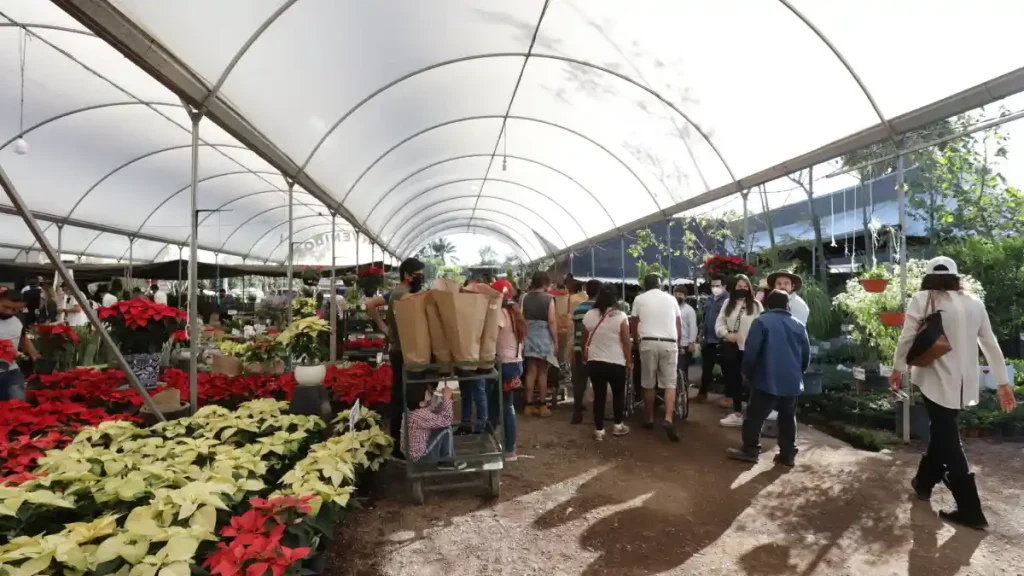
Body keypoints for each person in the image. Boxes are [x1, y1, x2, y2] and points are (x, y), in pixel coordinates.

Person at [891, 256, 1015, 530]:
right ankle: (922, 484)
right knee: (943, 431)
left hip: (935, 379)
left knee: (948, 438)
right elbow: (990, 343)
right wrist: (1002, 382)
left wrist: (898, 368)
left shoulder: (923, 298)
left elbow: (908, 337)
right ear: (957, 276)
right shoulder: (974, 303)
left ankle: (971, 509)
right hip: (964, 382)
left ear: (928, 275)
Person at [726, 290, 809, 466]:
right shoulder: (799, 325)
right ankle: (787, 454)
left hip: (767, 379)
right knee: (787, 418)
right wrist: (797, 374)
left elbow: (751, 352)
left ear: (768, 305)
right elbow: (806, 357)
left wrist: (747, 373)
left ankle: (750, 450)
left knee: (754, 417)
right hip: (791, 381)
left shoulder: (762, 322)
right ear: (788, 306)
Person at [366, 257, 425, 458]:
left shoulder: (397, 293)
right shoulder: (404, 296)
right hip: (405, 351)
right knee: (406, 396)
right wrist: (385, 329)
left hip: (397, 349)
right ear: (407, 275)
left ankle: (396, 439)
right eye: (418, 274)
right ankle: (402, 443)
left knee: (399, 393)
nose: (421, 278)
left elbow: (370, 304)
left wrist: (384, 328)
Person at [630, 274, 681, 442]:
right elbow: (678, 325)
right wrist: (678, 343)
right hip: (669, 342)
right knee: (670, 383)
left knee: (648, 383)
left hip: (648, 342)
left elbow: (633, 322)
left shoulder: (639, 299)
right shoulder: (672, 299)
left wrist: (636, 342)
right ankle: (667, 418)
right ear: (661, 285)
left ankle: (649, 418)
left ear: (645, 285)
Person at [582, 285, 632, 441]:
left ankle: (599, 430)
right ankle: (617, 426)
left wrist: (585, 354)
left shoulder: (589, 315)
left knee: (599, 396)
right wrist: (629, 361)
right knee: (618, 394)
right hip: (616, 361)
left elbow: (584, 338)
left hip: (595, 360)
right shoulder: (620, 316)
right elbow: (626, 341)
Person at [715, 274, 763, 428]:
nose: (742, 289)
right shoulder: (727, 304)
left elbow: (762, 326)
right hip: (732, 348)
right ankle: (737, 413)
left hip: (750, 349)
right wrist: (726, 334)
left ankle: (753, 415)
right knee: (734, 380)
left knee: (751, 382)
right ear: (734, 288)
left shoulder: (756, 305)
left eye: (745, 286)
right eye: (739, 286)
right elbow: (719, 323)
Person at [491, 291, 526, 460]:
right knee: (504, 404)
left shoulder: (500, 314)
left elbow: (491, 337)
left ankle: (505, 447)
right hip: (516, 365)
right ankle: (507, 446)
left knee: (502, 405)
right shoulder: (515, 313)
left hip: (504, 365)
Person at [401, 382, 464, 470]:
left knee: (441, 427)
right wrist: (446, 400)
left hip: (413, 456)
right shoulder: (420, 414)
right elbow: (446, 420)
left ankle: (447, 459)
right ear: (421, 402)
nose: (430, 392)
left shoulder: (413, 411)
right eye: (427, 392)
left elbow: (436, 414)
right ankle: (447, 461)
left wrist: (447, 401)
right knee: (446, 429)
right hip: (421, 459)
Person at [521, 271, 559, 417]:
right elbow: (551, 321)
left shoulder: (524, 298)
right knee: (543, 373)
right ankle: (542, 405)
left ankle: (528, 405)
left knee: (530, 372)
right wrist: (555, 340)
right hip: (544, 337)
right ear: (545, 283)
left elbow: (521, 318)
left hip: (529, 336)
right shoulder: (549, 298)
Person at [0, 291, 42, 401]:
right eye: (6, 307)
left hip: (10, 371)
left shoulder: (18, 320)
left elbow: (23, 338)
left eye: (15, 309)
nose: (10, 311)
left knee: (18, 404)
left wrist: (34, 354)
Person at [570, 279, 602, 424]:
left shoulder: (579, 308)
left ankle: (577, 411)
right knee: (598, 382)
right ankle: (598, 412)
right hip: (597, 349)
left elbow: (576, 329)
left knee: (580, 381)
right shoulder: (602, 309)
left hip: (579, 348)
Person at [697, 275, 728, 403]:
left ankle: (729, 397)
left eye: (718, 285)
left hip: (722, 341)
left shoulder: (728, 301)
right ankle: (702, 393)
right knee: (706, 369)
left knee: (727, 370)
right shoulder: (709, 299)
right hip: (708, 340)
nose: (715, 288)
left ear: (724, 286)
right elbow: (704, 319)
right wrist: (700, 335)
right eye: (713, 285)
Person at [674, 286, 698, 388]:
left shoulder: (689, 310)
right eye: (676, 294)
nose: (678, 296)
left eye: (680, 295)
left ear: (685, 297)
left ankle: (682, 391)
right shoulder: (671, 308)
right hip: (672, 343)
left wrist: (691, 342)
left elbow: (693, 327)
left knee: (682, 369)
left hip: (684, 344)